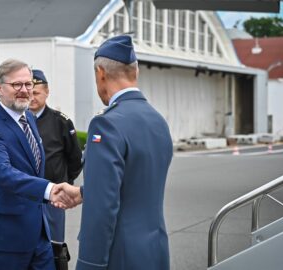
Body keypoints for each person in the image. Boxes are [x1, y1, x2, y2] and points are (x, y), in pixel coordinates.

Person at [53, 35, 173, 270]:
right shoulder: (157, 120)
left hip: (120, 256)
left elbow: (102, 207)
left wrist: (89, 264)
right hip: (155, 252)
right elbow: (135, 184)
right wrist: (83, 192)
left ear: (100, 73)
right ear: (135, 72)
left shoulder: (106, 124)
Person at [0, 59, 74, 270]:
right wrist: (49, 190)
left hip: (39, 234)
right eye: (16, 85)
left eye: (28, 84)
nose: (24, 90)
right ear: (0, 88)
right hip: (8, 238)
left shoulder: (28, 117)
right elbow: (1, 173)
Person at [29, 69, 83, 244]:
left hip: (53, 197)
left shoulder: (61, 122)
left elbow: (75, 158)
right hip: (26, 195)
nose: (32, 97)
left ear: (47, 92)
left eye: (36, 93)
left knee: (53, 246)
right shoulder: (18, 121)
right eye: (29, 92)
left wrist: (63, 182)